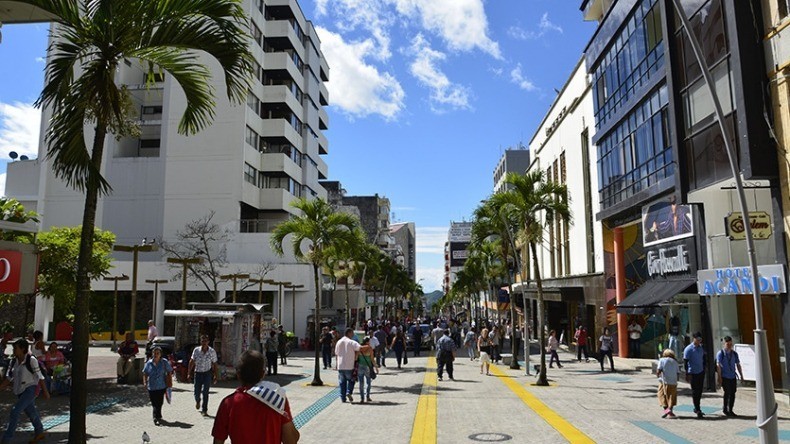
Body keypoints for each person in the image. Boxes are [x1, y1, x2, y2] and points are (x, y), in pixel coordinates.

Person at [212, 350, 300, 444]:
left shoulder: (228, 403)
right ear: (263, 374)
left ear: (238, 375)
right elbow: (291, 441)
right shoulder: (276, 398)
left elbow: (218, 441)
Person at [0, 338, 49, 443]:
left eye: (15, 348)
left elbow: (40, 376)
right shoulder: (13, 361)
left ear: (23, 349)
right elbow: (9, 378)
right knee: (31, 412)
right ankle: (39, 432)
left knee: (15, 411)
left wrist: (46, 392)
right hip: (19, 391)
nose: (13, 350)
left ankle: (6, 439)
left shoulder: (31, 360)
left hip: (30, 389)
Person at [335, 328, 371, 403]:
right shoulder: (351, 342)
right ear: (349, 333)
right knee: (352, 380)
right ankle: (349, 392)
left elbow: (336, 354)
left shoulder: (339, 342)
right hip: (349, 365)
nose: (353, 335)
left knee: (342, 382)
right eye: (352, 333)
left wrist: (336, 364)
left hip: (340, 365)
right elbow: (360, 348)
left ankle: (343, 398)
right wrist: (368, 346)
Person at [188, 335, 219, 416]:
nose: (204, 343)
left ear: (208, 342)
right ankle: (198, 400)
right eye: (202, 341)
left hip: (207, 373)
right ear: (200, 342)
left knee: (205, 392)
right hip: (198, 373)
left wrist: (215, 375)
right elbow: (192, 361)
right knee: (196, 391)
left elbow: (215, 364)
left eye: (205, 341)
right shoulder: (196, 350)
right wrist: (189, 373)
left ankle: (204, 409)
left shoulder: (212, 351)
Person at [142, 346, 173, 426]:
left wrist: (169, 381)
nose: (156, 355)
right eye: (154, 353)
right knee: (154, 403)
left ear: (160, 354)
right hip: (151, 386)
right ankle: (155, 418)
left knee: (159, 403)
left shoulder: (164, 362)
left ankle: (158, 416)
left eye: (157, 353)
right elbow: (145, 373)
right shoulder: (149, 363)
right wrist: (145, 382)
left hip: (161, 386)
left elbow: (169, 371)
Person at [716, 335, 743, 417]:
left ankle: (730, 409)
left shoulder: (734, 354)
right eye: (727, 344)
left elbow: (738, 364)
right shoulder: (721, 353)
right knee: (727, 392)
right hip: (725, 376)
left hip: (732, 376)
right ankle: (725, 409)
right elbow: (718, 366)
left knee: (733, 393)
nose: (729, 346)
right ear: (724, 344)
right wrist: (719, 377)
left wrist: (741, 375)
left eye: (731, 344)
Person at [683, 332, 706, 419]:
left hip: (701, 372)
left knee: (700, 391)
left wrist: (704, 368)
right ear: (694, 339)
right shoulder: (689, 349)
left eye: (700, 339)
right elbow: (685, 362)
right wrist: (687, 374)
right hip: (692, 373)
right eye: (698, 339)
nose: (699, 341)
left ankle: (697, 407)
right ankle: (697, 408)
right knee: (695, 391)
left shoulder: (701, 348)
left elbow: (703, 358)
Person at [656, 349, 680, 419]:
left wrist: (658, 376)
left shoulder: (662, 360)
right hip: (673, 382)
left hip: (665, 381)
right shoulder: (675, 362)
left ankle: (667, 411)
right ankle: (670, 411)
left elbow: (659, 370)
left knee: (661, 395)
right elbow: (678, 372)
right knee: (671, 397)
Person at [356, 337, 378, 403]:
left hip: (360, 367)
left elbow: (356, 358)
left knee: (361, 383)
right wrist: (376, 367)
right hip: (367, 367)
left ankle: (362, 398)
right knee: (368, 382)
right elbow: (372, 359)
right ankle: (367, 396)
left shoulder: (359, 348)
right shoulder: (370, 348)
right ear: (367, 342)